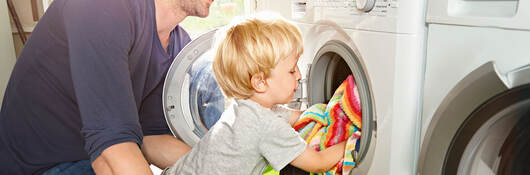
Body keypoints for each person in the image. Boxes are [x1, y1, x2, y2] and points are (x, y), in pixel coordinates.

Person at [0, 0, 214, 174]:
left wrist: (226, 164)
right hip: (42, 165)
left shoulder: (177, 44)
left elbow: (150, 137)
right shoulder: (100, 6)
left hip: (90, 158)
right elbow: (110, 154)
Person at [162, 14, 347, 175]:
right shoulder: (266, 125)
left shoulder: (245, 108)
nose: (299, 75)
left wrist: (332, 112)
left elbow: (300, 116)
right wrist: (352, 141)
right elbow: (318, 163)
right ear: (260, 82)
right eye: (292, 70)